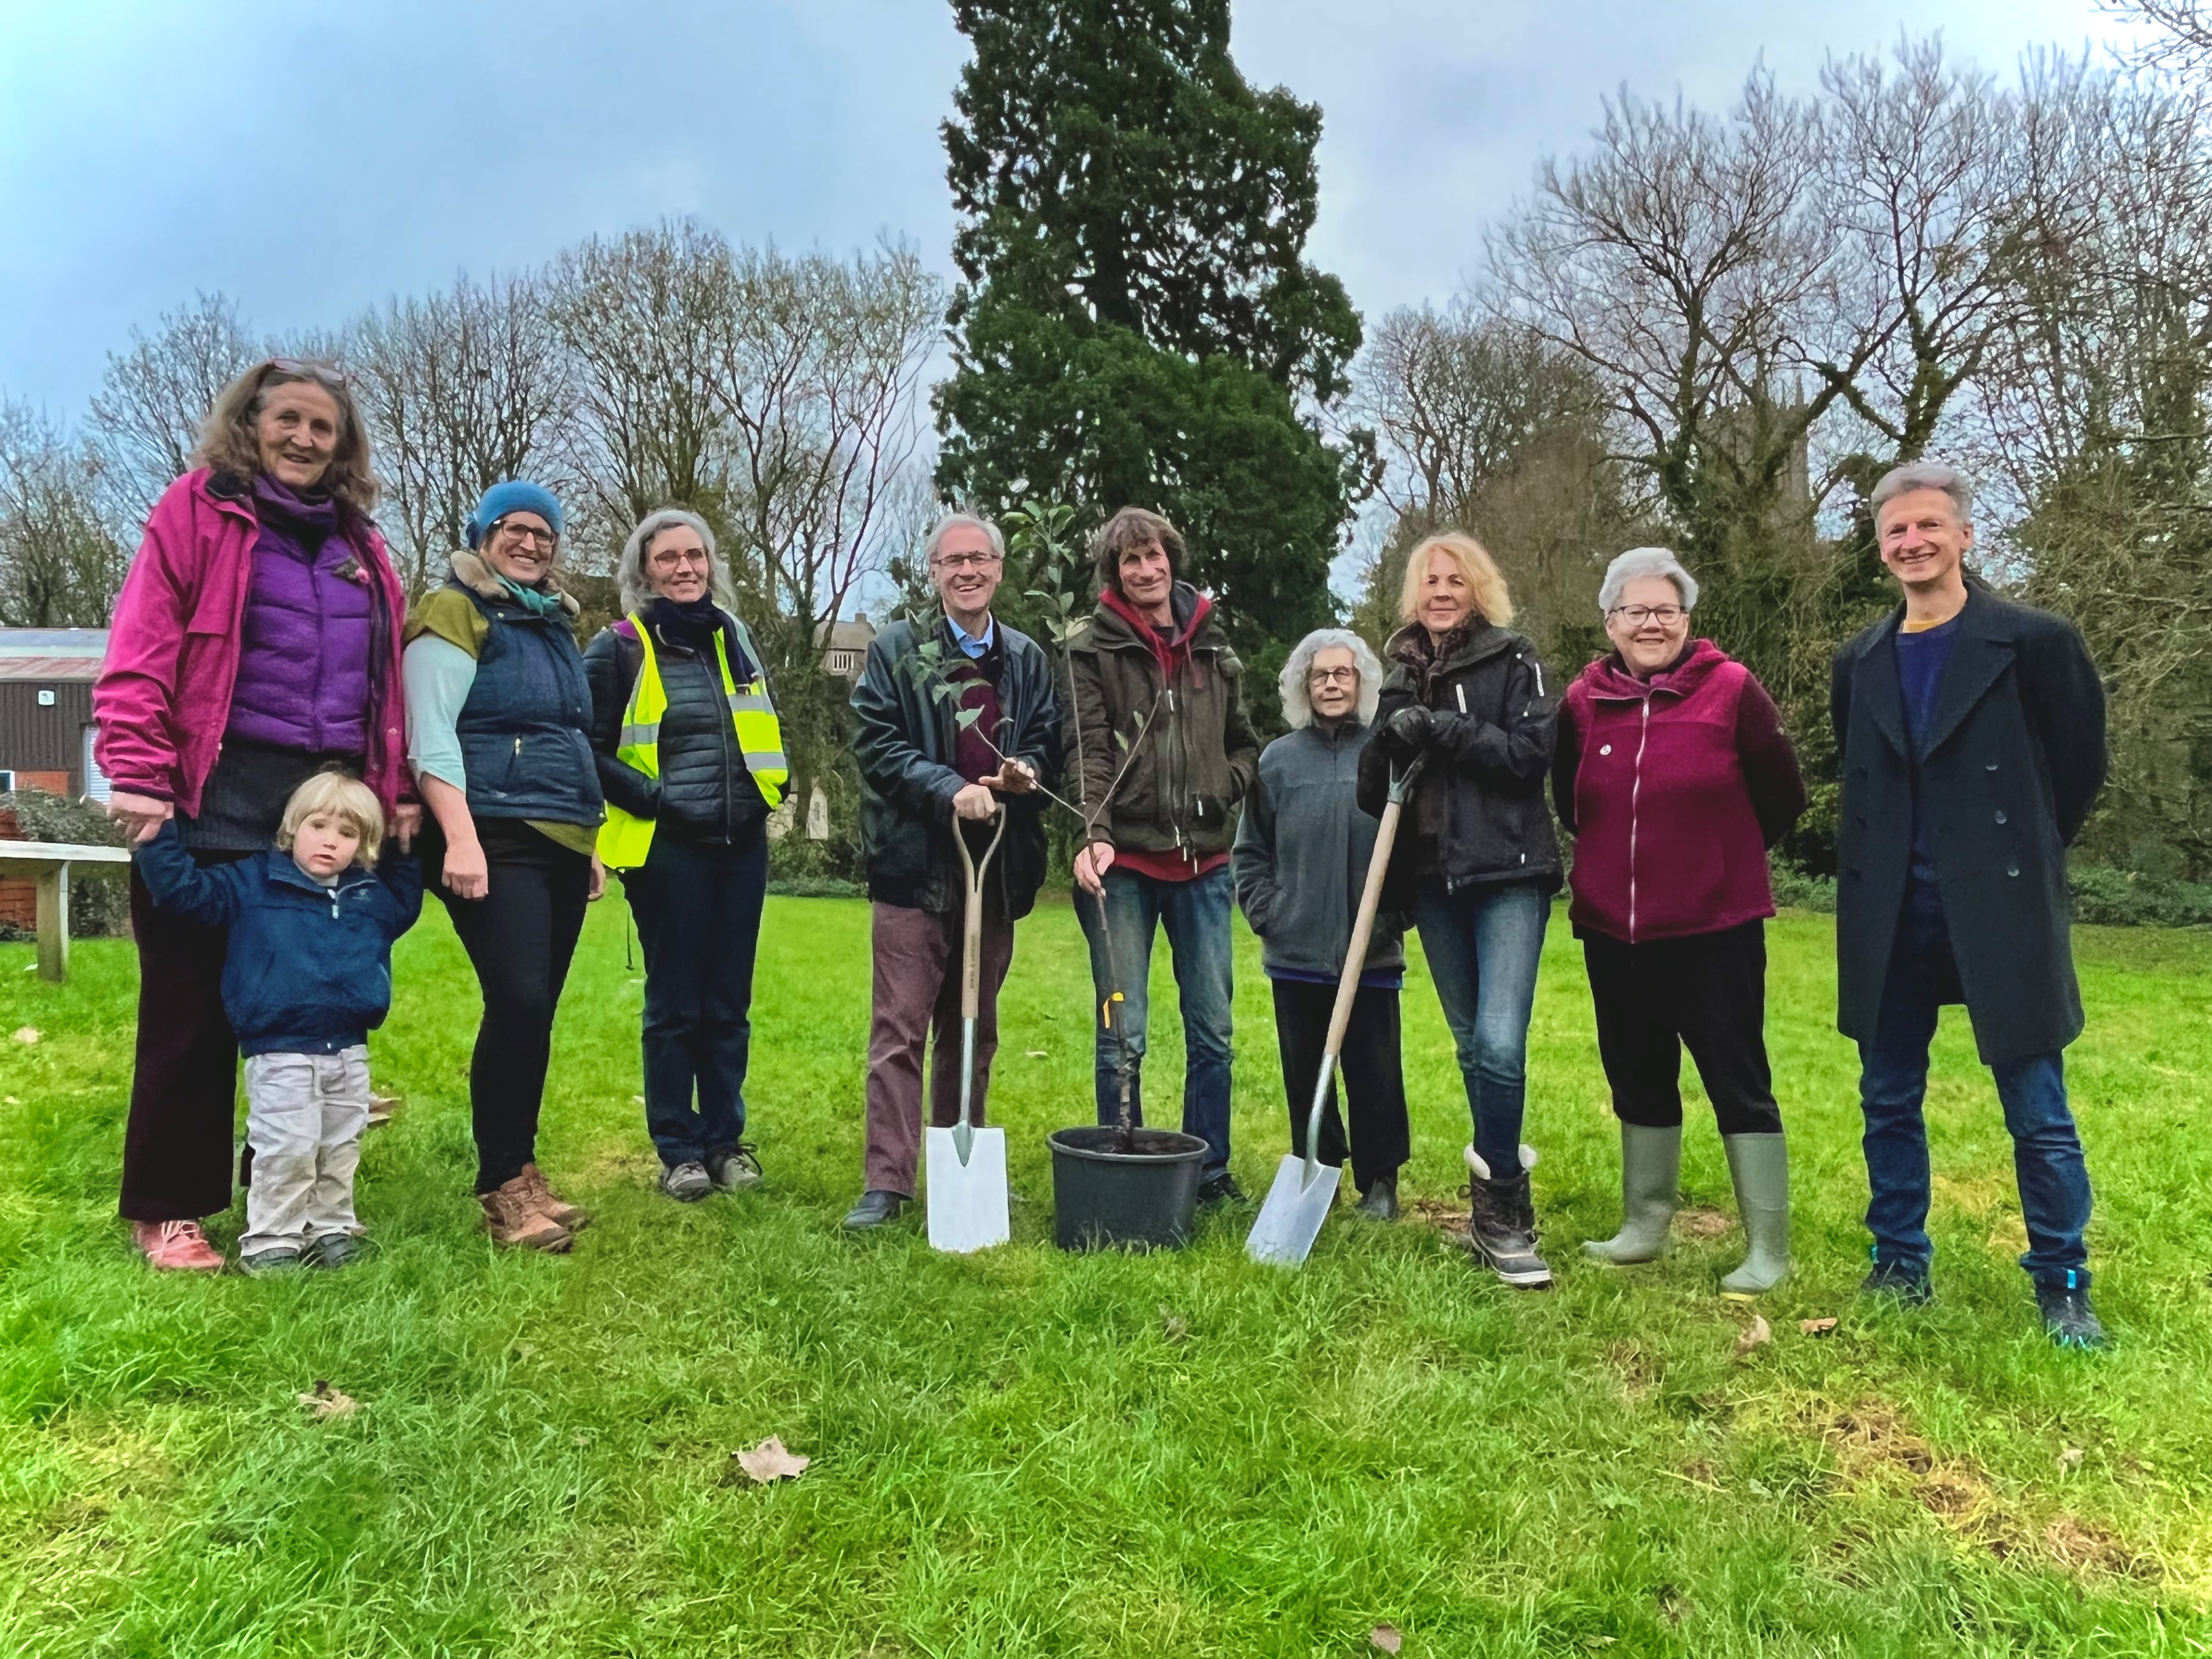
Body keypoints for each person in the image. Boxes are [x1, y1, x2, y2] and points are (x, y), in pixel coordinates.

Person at [93, 357, 415, 1272]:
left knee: (304, 995)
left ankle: (288, 1182)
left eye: (325, 427)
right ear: (251, 423)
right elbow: (144, 645)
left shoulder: (363, 544)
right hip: (213, 792)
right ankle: (171, 1206)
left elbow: (381, 681)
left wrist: (388, 793)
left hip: (322, 800)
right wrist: (140, 770)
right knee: (190, 1010)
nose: (306, 438)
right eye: (289, 419)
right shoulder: (196, 511)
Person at [1832, 460, 2111, 1348]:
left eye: (1927, 526)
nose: (1912, 542)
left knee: (2037, 1108)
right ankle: (1898, 1259)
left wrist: (2016, 852)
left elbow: (2076, 765)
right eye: (1896, 531)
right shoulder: (1860, 661)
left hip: (1999, 906)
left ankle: (2062, 1278)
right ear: (1881, 548)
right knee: (1887, 1099)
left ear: (1963, 535)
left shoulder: (2034, 641)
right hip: (1891, 914)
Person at [1553, 549, 1807, 1295]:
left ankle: (1767, 1248)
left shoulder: (1731, 690)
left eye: (1666, 609)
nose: (1651, 622)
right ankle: (1645, 1224)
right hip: (1613, 930)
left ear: (1688, 621)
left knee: (1738, 1078)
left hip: (1714, 930)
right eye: (1636, 610)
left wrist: (1717, 863)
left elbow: (1783, 796)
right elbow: (1571, 803)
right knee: (1636, 1074)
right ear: (1611, 623)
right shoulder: (1581, 701)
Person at [843, 512, 1060, 1229]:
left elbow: (1045, 735)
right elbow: (875, 741)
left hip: (995, 870)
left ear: (999, 570)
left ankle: (956, 1160)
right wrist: (947, 789)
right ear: (932, 573)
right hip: (916, 865)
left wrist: (1027, 767)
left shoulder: (1026, 656)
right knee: (900, 1029)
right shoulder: (898, 652)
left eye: (979, 559)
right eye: (951, 561)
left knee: (973, 1027)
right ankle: (888, 1181)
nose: (966, 571)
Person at [404, 481, 605, 1253]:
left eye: (543, 533)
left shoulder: (552, 621)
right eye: (513, 529)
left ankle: (522, 1168)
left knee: (537, 1010)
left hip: (559, 836)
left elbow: (570, 737)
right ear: (483, 535)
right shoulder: (453, 610)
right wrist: (459, 838)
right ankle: (500, 1188)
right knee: (518, 998)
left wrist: (587, 847)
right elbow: (431, 735)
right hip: (492, 830)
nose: (530, 543)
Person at [1359, 532, 1560, 1287]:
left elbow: (1529, 758)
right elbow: (1372, 791)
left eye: (1455, 580)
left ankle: (1506, 1208)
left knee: (1502, 1045)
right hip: (1433, 881)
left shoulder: (1516, 659)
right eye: (1429, 581)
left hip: (1508, 872)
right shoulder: (1400, 670)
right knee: (1474, 1045)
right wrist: (1391, 728)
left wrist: (1446, 730)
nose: (1441, 591)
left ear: (1479, 589)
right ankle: (1492, 1219)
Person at [132, 772, 421, 1273]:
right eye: (319, 825)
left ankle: (331, 1228)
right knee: (286, 1147)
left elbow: (406, 902)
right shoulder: (252, 882)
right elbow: (184, 892)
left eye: (348, 834)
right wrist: (161, 833)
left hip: (349, 1049)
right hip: (282, 1050)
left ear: (365, 845)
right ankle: (271, 1241)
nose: (330, 841)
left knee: (339, 1146)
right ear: (292, 827)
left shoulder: (369, 895)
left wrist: (410, 849)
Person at [586, 509, 786, 1204]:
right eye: (667, 557)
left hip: (741, 845)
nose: (684, 568)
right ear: (643, 571)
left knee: (728, 1002)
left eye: (695, 555)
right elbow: (588, 749)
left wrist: (773, 791)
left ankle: (725, 1141)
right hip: (667, 846)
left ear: (711, 564)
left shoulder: (737, 639)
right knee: (676, 1006)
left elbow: (763, 727)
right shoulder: (619, 648)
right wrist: (657, 799)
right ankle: (679, 1149)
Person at [1068, 507, 1260, 1205]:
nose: (1146, 572)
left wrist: (1225, 785)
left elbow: (1245, 742)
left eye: (1154, 557)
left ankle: (1209, 1172)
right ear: (1113, 574)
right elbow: (1089, 748)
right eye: (1130, 563)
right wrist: (1094, 831)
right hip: (1125, 869)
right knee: (1125, 1030)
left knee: (1213, 1028)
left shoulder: (1212, 644)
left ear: (1170, 559)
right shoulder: (1091, 648)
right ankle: (1123, 1163)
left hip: (1205, 868)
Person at [1233, 628, 1410, 1219]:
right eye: (1320, 675)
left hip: (1372, 950)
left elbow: (1414, 851)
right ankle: (1319, 1167)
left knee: (1375, 1067)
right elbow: (1250, 851)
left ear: (1361, 683)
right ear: (1303, 687)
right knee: (1307, 1067)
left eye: (1343, 674)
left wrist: (1392, 918)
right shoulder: (1278, 760)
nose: (1332, 684)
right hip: (1298, 949)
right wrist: (1270, 913)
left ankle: (1380, 1180)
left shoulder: (1387, 754)